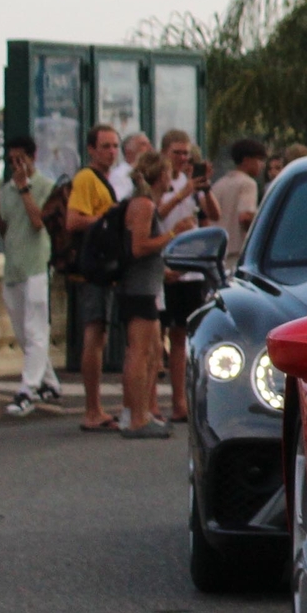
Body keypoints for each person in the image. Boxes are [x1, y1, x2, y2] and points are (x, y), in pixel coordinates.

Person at [0, 135, 60, 417]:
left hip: (37, 265)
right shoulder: (5, 191)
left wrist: (24, 188)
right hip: (14, 267)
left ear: (32, 158)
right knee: (22, 331)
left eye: (21, 160)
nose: (16, 165)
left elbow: (38, 221)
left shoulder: (45, 187)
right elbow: (8, 230)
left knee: (36, 328)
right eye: (12, 161)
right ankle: (50, 382)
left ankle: (27, 389)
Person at [64, 124, 123, 432]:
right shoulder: (87, 179)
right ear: (91, 149)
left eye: (115, 146)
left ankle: (95, 406)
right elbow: (73, 220)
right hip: (94, 268)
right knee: (94, 335)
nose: (111, 152)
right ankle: (92, 408)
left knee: (98, 334)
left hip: (102, 268)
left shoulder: (107, 180)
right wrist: (107, 218)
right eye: (105, 146)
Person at [116, 151, 176, 438]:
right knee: (139, 352)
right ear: (159, 175)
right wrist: (172, 234)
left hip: (147, 286)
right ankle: (136, 417)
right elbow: (139, 247)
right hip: (137, 288)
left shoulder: (149, 204)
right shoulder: (142, 204)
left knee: (152, 352)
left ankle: (138, 411)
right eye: (167, 172)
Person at [154, 129, 209, 423]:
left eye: (186, 153)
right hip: (169, 266)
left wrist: (202, 189)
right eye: (177, 152)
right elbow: (156, 215)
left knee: (192, 336)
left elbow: (212, 214)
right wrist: (181, 194)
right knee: (171, 336)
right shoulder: (165, 183)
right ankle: (175, 401)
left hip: (193, 269)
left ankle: (188, 400)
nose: (182, 158)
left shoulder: (191, 183)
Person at [209, 137, 266, 276]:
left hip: (217, 254)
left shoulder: (219, 184)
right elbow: (245, 216)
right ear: (246, 160)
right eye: (259, 159)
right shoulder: (248, 184)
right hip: (237, 254)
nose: (262, 165)